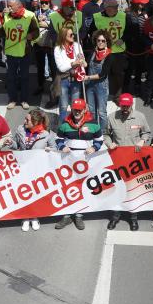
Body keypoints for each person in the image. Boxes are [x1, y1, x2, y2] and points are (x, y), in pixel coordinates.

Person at [55, 98, 103, 230]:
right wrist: (61, 146)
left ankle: (79, 215)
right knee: (68, 187)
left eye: (79, 110)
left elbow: (100, 140)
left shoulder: (93, 124)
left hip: (86, 161)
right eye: (75, 109)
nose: (77, 112)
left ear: (84, 110)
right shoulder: (65, 123)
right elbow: (58, 138)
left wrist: (94, 148)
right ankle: (66, 215)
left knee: (82, 187)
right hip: (68, 161)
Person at [105, 93, 151, 231]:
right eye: (123, 106)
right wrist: (109, 143)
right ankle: (115, 216)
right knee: (117, 189)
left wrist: (143, 140)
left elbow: (147, 132)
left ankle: (133, 217)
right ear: (120, 104)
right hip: (118, 160)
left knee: (133, 190)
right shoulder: (112, 117)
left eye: (127, 106)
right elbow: (105, 133)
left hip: (134, 161)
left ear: (131, 105)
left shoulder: (140, 117)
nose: (125, 108)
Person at [12, 109, 54, 232]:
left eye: (27, 120)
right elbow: (17, 146)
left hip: (38, 169)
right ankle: (25, 217)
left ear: (35, 122)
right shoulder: (20, 129)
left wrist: (49, 150)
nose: (24, 121)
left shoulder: (48, 134)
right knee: (24, 193)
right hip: (22, 167)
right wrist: (11, 143)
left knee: (35, 193)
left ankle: (35, 217)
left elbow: (55, 149)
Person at [91, 0, 133, 98]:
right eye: (109, 8)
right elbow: (91, 32)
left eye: (114, 8)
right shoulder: (97, 17)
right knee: (101, 73)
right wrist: (97, 42)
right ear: (105, 8)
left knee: (118, 74)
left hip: (118, 51)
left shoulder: (124, 16)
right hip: (103, 51)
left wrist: (122, 39)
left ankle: (119, 95)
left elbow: (130, 30)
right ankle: (100, 93)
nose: (112, 10)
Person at [1, 0, 39, 110]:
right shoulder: (7, 15)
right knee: (11, 77)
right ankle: (12, 99)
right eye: (8, 6)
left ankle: (24, 99)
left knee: (24, 77)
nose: (9, 8)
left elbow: (36, 31)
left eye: (11, 6)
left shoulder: (30, 15)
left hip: (24, 52)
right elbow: (3, 30)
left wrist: (31, 35)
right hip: (11, 51)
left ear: (19, 6)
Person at [53, 26, 86, 122]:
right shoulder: (57, 49)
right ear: (64, 36)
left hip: (76, 79)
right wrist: (73, 63)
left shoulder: (77, 46)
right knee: (63, 106)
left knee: (75, 105)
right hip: (64, 80)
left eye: (73, 34)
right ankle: (62, 127)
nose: (73, 36)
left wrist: (81, 63)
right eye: (71, 35)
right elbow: (61, 68)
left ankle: (74, 125)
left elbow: (82, 62)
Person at [85, 29, 112, 131]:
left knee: (101, 112)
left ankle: (102, 133)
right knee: (91, 110)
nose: (100, 43)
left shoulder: (109, 55)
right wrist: (82, 62)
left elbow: (102, 74)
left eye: (103, 41)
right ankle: (93, 130)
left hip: (101, 87)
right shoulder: (93, 52)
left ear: (107, 42)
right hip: (90, 86)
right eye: (98, 40)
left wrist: (87, 77)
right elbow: (87, 65)